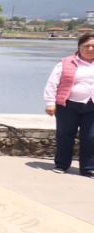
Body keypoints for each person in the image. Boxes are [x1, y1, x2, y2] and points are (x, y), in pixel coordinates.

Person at [43, 31, 94, 176]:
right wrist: (50, 103)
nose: (90, 49)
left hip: (92, 106)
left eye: (93, 46)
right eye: (87, 46)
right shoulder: (65, 63)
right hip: (68, 105)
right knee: (65, 135)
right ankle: (61, 164)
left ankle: (88, 168)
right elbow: (52, 83)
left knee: (91, 137)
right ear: (79, 47)